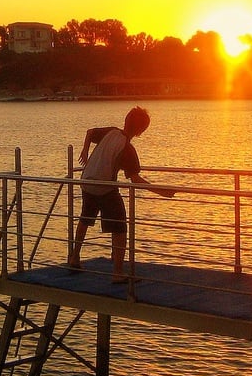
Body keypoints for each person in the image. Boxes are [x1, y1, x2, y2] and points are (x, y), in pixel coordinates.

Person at [68, 106, 174, 282]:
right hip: (103, 187)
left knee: (85, 218)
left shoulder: (111, 132)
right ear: (141, 131)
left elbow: (90, 132)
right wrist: (162, 192)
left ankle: (74, 257)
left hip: (86, 181)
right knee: (119, 226)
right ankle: (118, 272)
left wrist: (85, 150)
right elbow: (135, 180)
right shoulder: (127, 149)